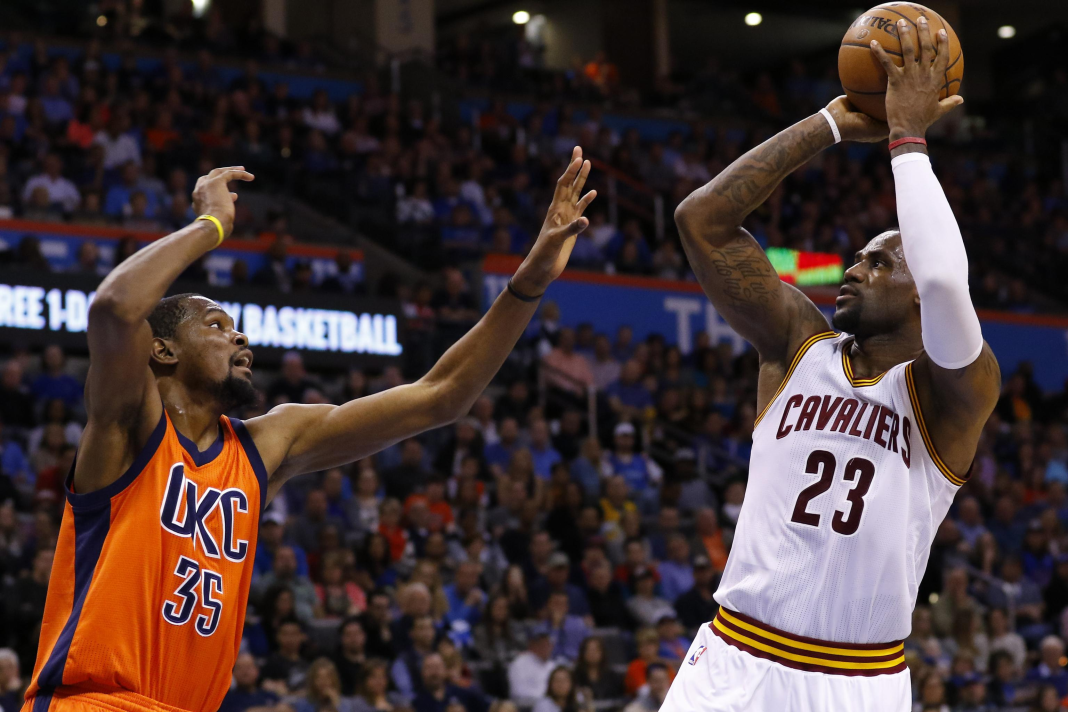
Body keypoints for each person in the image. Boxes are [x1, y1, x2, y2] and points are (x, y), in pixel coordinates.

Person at [21, 154, 597, 712]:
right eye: (216, 325)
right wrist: (211, 225)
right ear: (163, 350)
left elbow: (441, 396)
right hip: (92, 701)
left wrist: (529, 283)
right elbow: (114, 308)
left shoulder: (266, 444)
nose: (240, 338)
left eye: (238, 327)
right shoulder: (130, 421)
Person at [664, 23, 1000, 712]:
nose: (853, 268)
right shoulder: (796, 344)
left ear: (916, 293)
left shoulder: (951, 396)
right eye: (856, 257)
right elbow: (701, 221)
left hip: (856, 682)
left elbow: (945, 282)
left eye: (879, 262)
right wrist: (830, 125)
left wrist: (908, 141)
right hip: (733, 658)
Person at [412, 653, 487, 712]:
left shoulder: (462, 693)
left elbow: (490, 706)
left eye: (437, 667)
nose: (434, 673)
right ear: (422, 672)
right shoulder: (416, 703)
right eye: (429, 668)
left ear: (445, 670)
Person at [509, 627, 559, 702]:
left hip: (550, 704)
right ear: (531, 644)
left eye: (548, 643)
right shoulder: (520, 663)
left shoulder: (553, 665)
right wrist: (546, 698)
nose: (545, 646)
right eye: (541, 643)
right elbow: (518, 691)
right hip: (527, 705)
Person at [572, 637, 624, 701]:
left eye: (595, 650)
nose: (592, 653)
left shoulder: (613, 677)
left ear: (602, 652)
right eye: (588, 650)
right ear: (582, 653)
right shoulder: (575, 676)